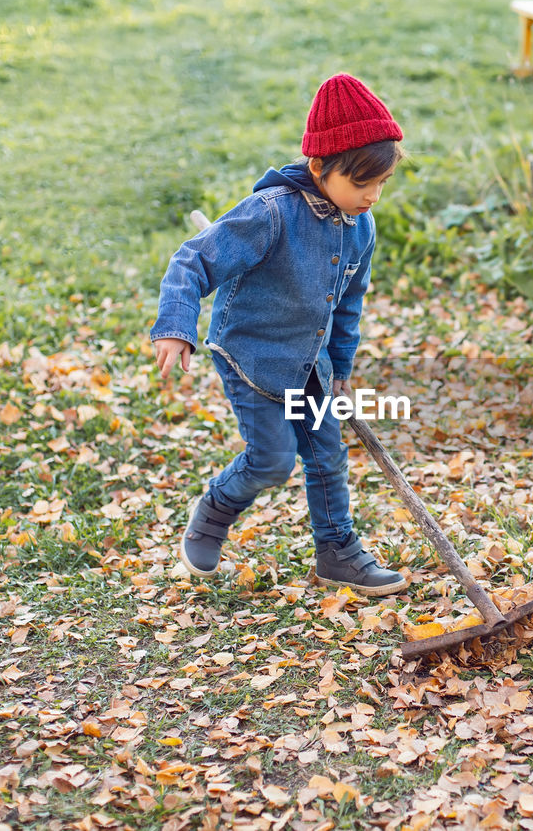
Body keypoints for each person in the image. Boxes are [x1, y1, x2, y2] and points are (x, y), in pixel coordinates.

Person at [149, 73, 408, 597]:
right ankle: (211, 516)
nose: (374, 197)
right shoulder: (270, 214)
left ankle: (338, 552)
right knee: (272, 460)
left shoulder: (362, 225)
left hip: (311, 363)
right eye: (362, 184)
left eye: (382, 184)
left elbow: (347, 303)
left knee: (327, 453)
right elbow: (192, 260)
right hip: (254, 357)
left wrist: (341, 370)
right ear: (319, 168)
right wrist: (176, 327)